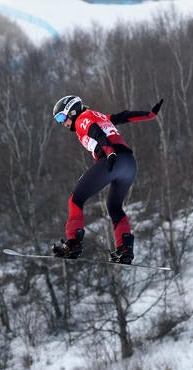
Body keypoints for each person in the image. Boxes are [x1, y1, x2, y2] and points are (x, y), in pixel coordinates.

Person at [51, 95, 164, 264]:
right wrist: (150, 115)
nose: (61, 123)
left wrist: (109, 152)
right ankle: (125, 250)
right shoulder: (98, 116)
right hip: (129, 164)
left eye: (61, 117)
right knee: (114, 207)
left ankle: (73, 243)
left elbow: (95, 132)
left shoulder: (82, 119)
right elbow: (123, 116)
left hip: (113, 160)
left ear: (72, 112)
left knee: (76, 199)